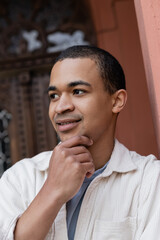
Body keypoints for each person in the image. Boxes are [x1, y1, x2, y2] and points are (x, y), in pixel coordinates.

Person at [0, 45, 160, 240]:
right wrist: (53, 190)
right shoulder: (20, 178)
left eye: (77, 91)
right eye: (54, 96)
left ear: (117, 101)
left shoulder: (150, 181)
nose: (60, 107)